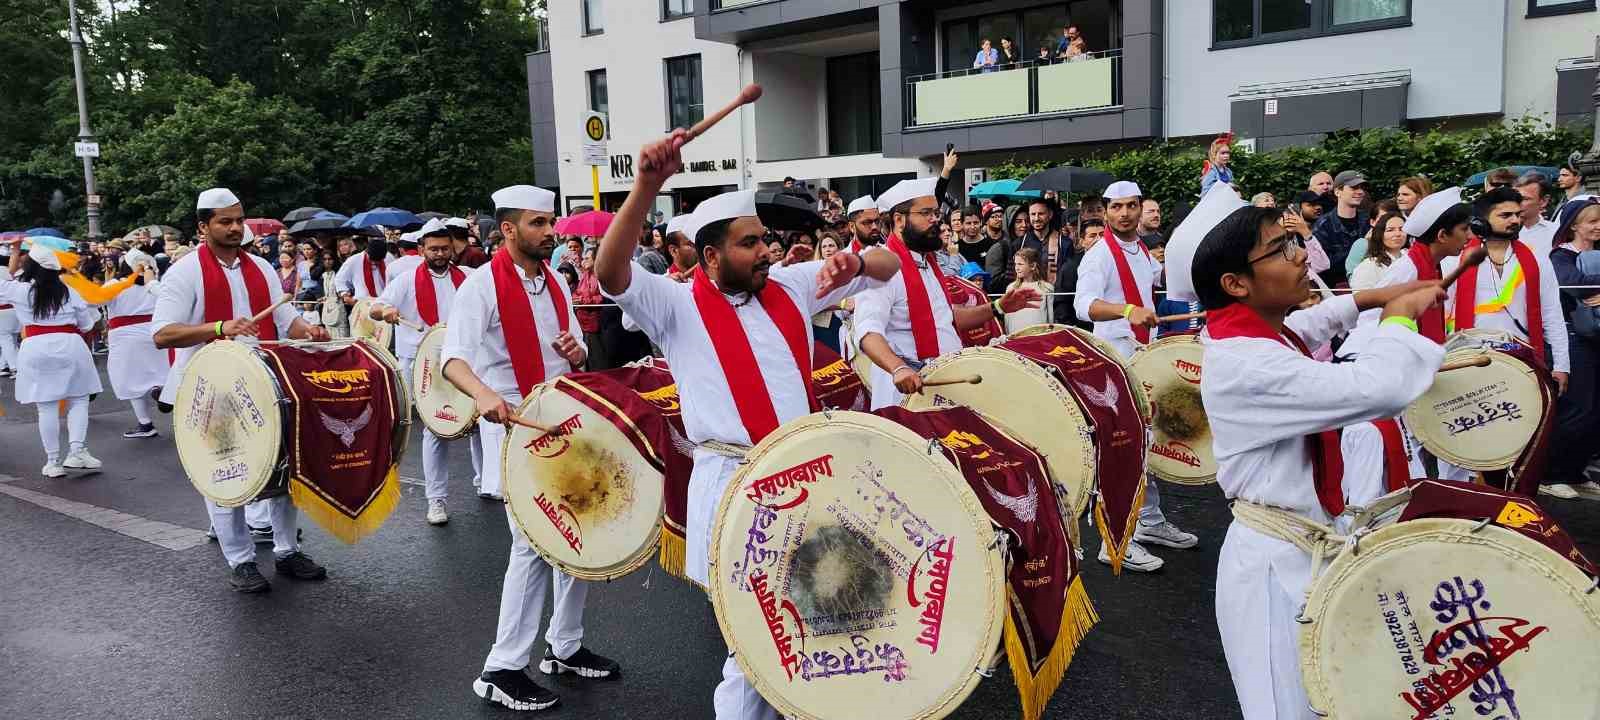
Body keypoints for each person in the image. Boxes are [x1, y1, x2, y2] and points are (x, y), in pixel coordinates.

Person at [596, 128, 901, 720]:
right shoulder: (674, 304)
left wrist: (856, 258)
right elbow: (611, 274)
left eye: (764, 239)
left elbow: (887, 269)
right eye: (749, 244)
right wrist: (646, 186)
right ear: (711, 256)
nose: (767, 251)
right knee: (757, 646)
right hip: (733, 488)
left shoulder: (790, 284)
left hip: (806, 480)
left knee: (813, 628)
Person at [1192, 203, 1446, 720]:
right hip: (1272, 567)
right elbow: (1379, 387)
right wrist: (1396, 320)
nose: (1302, 255)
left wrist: (1369, 298)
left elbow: (1308, 325)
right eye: (1282, 249)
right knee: (1285, 711)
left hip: (1303, 546)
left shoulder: (1249, 330)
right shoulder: (1251, 363)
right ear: (1237, 284)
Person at [441, 184, 618, 711]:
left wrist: (577, 348)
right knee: (535, 545)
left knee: (572, 537)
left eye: (551, 223)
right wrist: (486, 395)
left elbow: (575, 353)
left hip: (560, 422)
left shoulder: (557, 283)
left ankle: (563, 647)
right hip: (513, 425)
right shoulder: (480, 287)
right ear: (509, 230)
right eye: (539, 224)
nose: (551, 232)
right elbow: (453, 360)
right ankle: (501, 668)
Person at [152, 188, 331, 592]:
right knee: (222, 473)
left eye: (239, 220)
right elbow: (162, 334)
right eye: (225, 221)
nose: (236, 228)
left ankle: (287, 552)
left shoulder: (262, 269)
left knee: (284, 469)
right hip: (209, 389)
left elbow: (287, 323)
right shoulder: (184, 273)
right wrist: (219, 328)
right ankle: (241, 559)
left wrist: (312, 332)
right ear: (203, 227)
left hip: (266, 384)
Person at [1073, 180, 1198, 570]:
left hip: (1142, 360)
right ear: (1105, 212)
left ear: (1141, 208)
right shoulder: (1099, 257)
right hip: (1114, 364)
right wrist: (1128, 311)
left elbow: (1158, 283)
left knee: (1145, 445)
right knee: (1123, 450)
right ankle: (1113, 541)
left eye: (1131, 206)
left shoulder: (1140, 249)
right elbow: (1083, 305)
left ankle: (1149, 523)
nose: (1124, 214)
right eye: (1116, 208)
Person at [854, 177, 1038, 410]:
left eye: (936, 213)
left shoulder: (928, 262)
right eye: (926, 213)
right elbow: (867, 332)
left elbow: (945, 318)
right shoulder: (881, 266)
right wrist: (898, 368)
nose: (936, 220)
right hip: (905, 394)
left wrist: (998, 307)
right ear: (899, 220)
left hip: (944, 383)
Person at [370, 219, 482, 524]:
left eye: (445, 248)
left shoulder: (470, 278)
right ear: (422, 250)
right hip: (423, 366)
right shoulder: (406, 280)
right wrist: (386, 311)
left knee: (480, 419)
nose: (440, 254)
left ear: (453, 248)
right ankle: (437, 500)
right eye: (433, 249)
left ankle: (486, 481)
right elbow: (374, 308)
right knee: (437, 428)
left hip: (463, 360)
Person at [1, 235, 103, 477]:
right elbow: (88, 323)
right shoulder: (70, 291)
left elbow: (2, 279)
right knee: (78, 399)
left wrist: (14, 252)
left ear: (32, 267)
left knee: (46, 406)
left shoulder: (21, 290)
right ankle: (77, 452)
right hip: (71, 346)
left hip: (35, 347)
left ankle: (53, 462)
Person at [1548, 198, 1600, 499]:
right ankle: (1552, 472)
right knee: (1578, 408)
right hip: (1576, 338)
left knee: (1596, 410)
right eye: (1591, 221)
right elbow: (1573, 283)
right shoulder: (1561, 256)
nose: (1597, 226)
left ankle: (1575, 471)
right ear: (1574, 225)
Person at [102, 253, 169, 439]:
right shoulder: (153, 283)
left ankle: (145, 423)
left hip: (125, 337)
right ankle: (160, 390)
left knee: (130, 378)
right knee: (160, 371)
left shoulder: (116, 285)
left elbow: (95, 302)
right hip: (154, 332)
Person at [1314, 170, 1370, 286]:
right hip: (1335, 290)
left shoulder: (1369, 221)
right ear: (1338, 192)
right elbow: (1324, 265)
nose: (1360, 192)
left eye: (1362, 188)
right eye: (1354, 188)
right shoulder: (1323, 225)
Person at [1348, 212, 1407, 291]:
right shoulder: (1369, 265)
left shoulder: (1410, 258)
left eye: (1401, 229)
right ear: (1380, 234)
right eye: (1390, 230)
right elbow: (1361, 298)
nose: (1397, 234)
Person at [335, 233, 394, 307]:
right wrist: (345, 295)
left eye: (378, 261)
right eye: (372, 260)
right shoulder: (354, 260)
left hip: (386, 304)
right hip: (363, 304)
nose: (374, 263)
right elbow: (340, 280)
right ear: (366, 252)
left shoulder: (389, 258)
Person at [572, 246, 607, 369]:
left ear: (595, 260)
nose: (584, 261)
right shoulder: (585, 275)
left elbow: (600, 298)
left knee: (597, 360)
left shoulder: (600, 276)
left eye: (587, 258)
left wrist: (582, 300)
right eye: (584, 258)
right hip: (583, 322)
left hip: (596, 323)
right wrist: (577, 298)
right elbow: (577, 292)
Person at [1004, 247, 1052, 332]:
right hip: (1016, 336)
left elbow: (1050, 317)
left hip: (1038, 337)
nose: (1017, 268)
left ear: (1033, 266)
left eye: (1020, 264)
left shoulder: (1046, 288)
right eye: (1015, 264)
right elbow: (1007, 317)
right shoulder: (1011, 288)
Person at [1515, 170, 1559, 256]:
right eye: (1515, 197)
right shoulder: (1500, 233)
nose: (1517, 203)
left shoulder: (1556, 234)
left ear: (1543, 201)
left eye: (1525, 199)